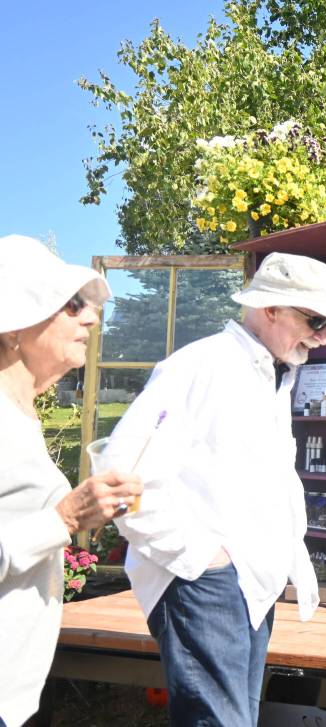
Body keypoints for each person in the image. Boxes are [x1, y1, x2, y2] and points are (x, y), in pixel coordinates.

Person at [107, 252, 326, 726]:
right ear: (270, 308)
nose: (323, 337)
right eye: (316, 321)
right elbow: (119, 475)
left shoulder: (269, 374)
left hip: (248, 583)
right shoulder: (201, 366)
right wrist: (202, 558)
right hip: (205, 581)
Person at [0, 235, 143, 727]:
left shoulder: (21, 416)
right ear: (12, 327)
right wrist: (62, 519)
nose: (92, 318)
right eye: (72, 304)